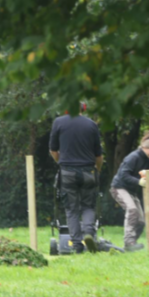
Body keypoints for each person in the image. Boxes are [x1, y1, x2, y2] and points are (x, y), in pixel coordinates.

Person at [49, 103, 103, 253]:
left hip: (67, 172)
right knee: (88, 206)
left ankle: (78, 245)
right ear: (83, 109)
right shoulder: (91, 125)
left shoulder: (58, 122)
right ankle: (88, 234)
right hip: (88, 171)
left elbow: (53, 151)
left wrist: (61, 163)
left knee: (71, 209)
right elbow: (98, 155)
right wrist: (97, 171)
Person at [109, 131, 149, 251]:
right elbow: (123, 175)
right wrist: (138, 182)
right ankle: (129, 242)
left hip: (131, 191)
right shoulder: (133, 157)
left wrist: (144, 178)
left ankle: (132, 244)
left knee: (141, 221)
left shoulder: (148, 161)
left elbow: (145, 176)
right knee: (132, 210)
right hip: (119, 187)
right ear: (145, 147)